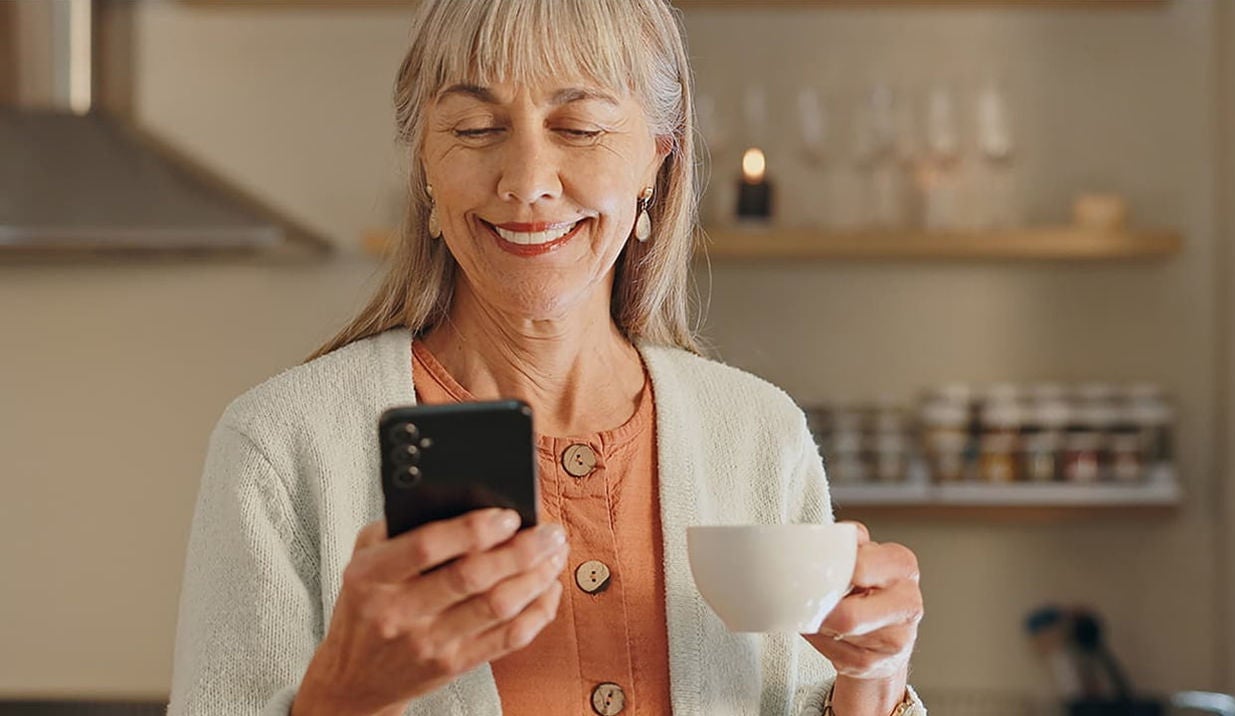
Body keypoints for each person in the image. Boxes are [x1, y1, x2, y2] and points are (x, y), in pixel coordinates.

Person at [168, 1, 924, 714]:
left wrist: (873, 678)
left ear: (656, 163)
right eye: (472, 129)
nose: (527, 182)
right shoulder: (280, 445)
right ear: (424, 168)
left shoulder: (758, 433)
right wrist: (347, 694)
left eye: (582, 128)